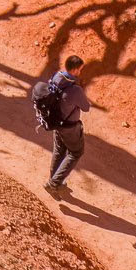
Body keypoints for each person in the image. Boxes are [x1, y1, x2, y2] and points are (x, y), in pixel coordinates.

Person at [35, 53, 92, 191]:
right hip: (70, 127)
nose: (80, 72)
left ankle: (53, 179)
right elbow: (86, 107)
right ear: (74, 70)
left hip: (55, 121)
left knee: (59, 151)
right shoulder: (75, 90)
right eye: (79, 69)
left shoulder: (56, 77)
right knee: (76, 152)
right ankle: (54, 183)